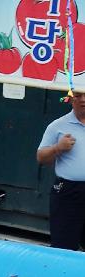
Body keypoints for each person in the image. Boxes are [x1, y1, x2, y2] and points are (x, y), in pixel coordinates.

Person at [37, 90, 85, 250]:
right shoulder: (58, 126)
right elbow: (41, 157)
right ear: (71, 99)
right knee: (64, 246)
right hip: (69, 192)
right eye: (78, 96)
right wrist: (58, 147)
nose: (83, 100)